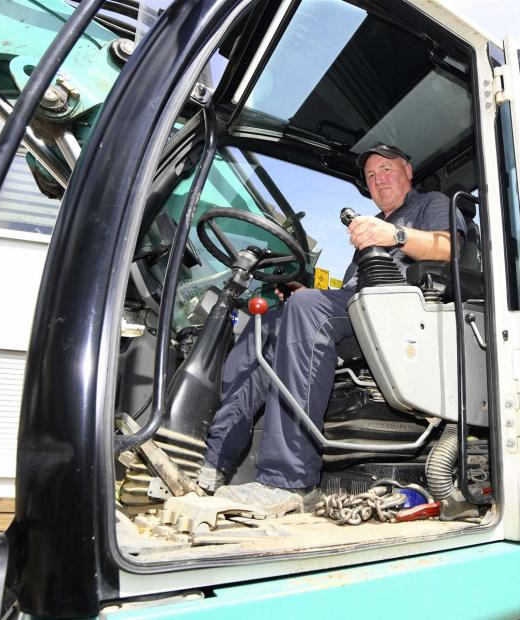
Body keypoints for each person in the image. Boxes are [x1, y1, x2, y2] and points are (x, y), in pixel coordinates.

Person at [198, 143, 462, 515]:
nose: (378, 179)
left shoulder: (430, 204)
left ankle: (287, 481)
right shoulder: (369, 227)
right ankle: (215, 462)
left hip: (403, 312)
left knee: (308, 309)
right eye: (371, 175)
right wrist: (305, 295)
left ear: (408, 171)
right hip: (359, 308)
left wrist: (395, 235)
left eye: (386, 169)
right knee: (266, 324)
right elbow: (347, 292)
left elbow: (451, 248)